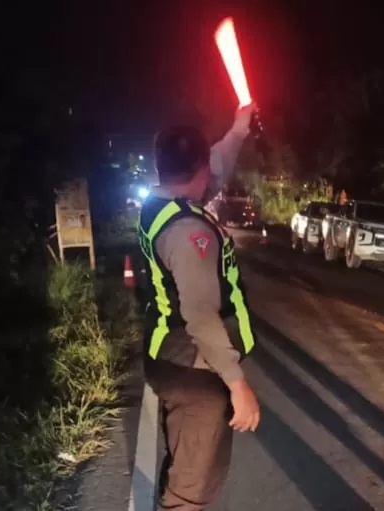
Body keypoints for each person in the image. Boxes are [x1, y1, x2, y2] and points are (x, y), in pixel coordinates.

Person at [136, 104, 261, 510]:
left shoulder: (162, 204)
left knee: (184, 469)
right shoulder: (188, 230)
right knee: (190, 491)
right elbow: (202, 317)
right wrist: (238, 385)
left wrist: (239, 128)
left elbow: (217, 164)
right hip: (193, 369)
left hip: (174, 360)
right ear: (201, 169)